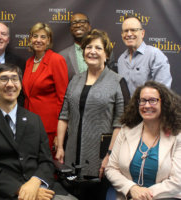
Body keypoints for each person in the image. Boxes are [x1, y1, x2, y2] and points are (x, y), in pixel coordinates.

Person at [0, 63, 77, 200]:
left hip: (37, 186)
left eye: (14, 79)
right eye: (3, 79)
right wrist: (21, 190)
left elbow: (46, 161)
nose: (10, 84)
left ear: (20, 85)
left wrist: (35, 183)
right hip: (1, 191)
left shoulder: (34, 119)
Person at [55, 29, 130, 199]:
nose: (92, 51)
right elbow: (63, 115)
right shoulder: (75, 80)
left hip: (101, 158)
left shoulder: (117, 81)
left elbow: (121, 123)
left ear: (106, 54)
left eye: (98, 48)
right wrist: (60, 147)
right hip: (71, 156)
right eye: (88, 47)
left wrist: (110, 156)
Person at [105, 81, 181, 200]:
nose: (146, 105)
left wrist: (142, 195)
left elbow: (178, 181)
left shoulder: (177, 135)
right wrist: (132, 189)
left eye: (152, 100)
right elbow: (111, 169)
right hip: (128, 195)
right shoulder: (126, 130)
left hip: (164, 196)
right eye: (143, 101)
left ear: (164, 103)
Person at [23, 22, 68, 154]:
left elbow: (63, 98)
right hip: (29, 126)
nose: (38, 40)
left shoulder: (56, 60)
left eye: (43, 37)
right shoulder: (29, 62)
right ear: (30, 39)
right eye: (35, 36)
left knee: (48, 168)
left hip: (49, 128)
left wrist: (58, 134)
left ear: (48, 41)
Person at [118, 15, 172, 96]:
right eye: (125, 31)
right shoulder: (121, 60)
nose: (129, 34)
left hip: (148, 108)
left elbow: (163, 92)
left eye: (133, 30)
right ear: (122, 35)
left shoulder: (155, 55)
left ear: (142, 33)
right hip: (126, 108)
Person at [59, 13, 91, 80]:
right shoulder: (62, 56)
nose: (78, 25)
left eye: (82, 22)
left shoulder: (104, 52)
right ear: (70, 29)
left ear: (89, 27)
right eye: (74, 23)